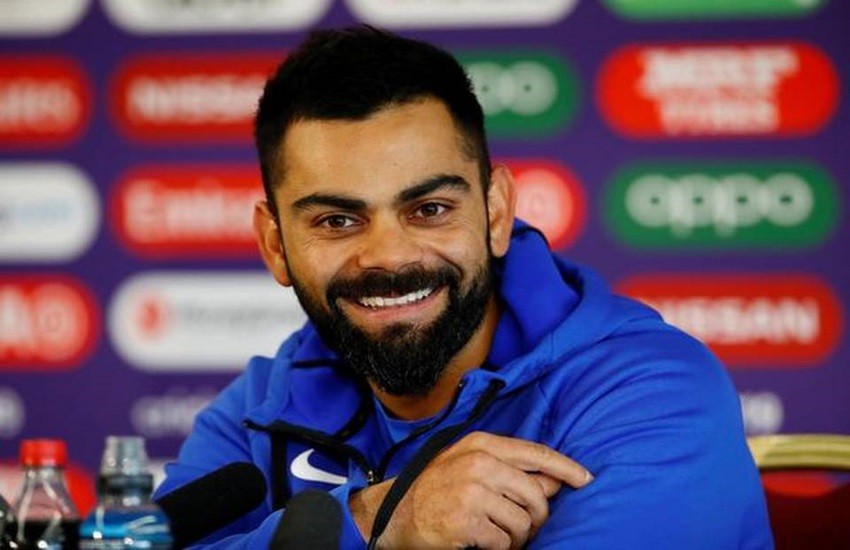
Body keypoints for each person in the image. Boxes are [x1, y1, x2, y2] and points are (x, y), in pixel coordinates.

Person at [154, 26, 773, 548]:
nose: (389, 257)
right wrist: (372, 521)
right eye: (337, 221)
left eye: (429, 209)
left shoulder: (647, 393)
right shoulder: (263, 408)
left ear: (496, 212)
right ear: (275, 245)